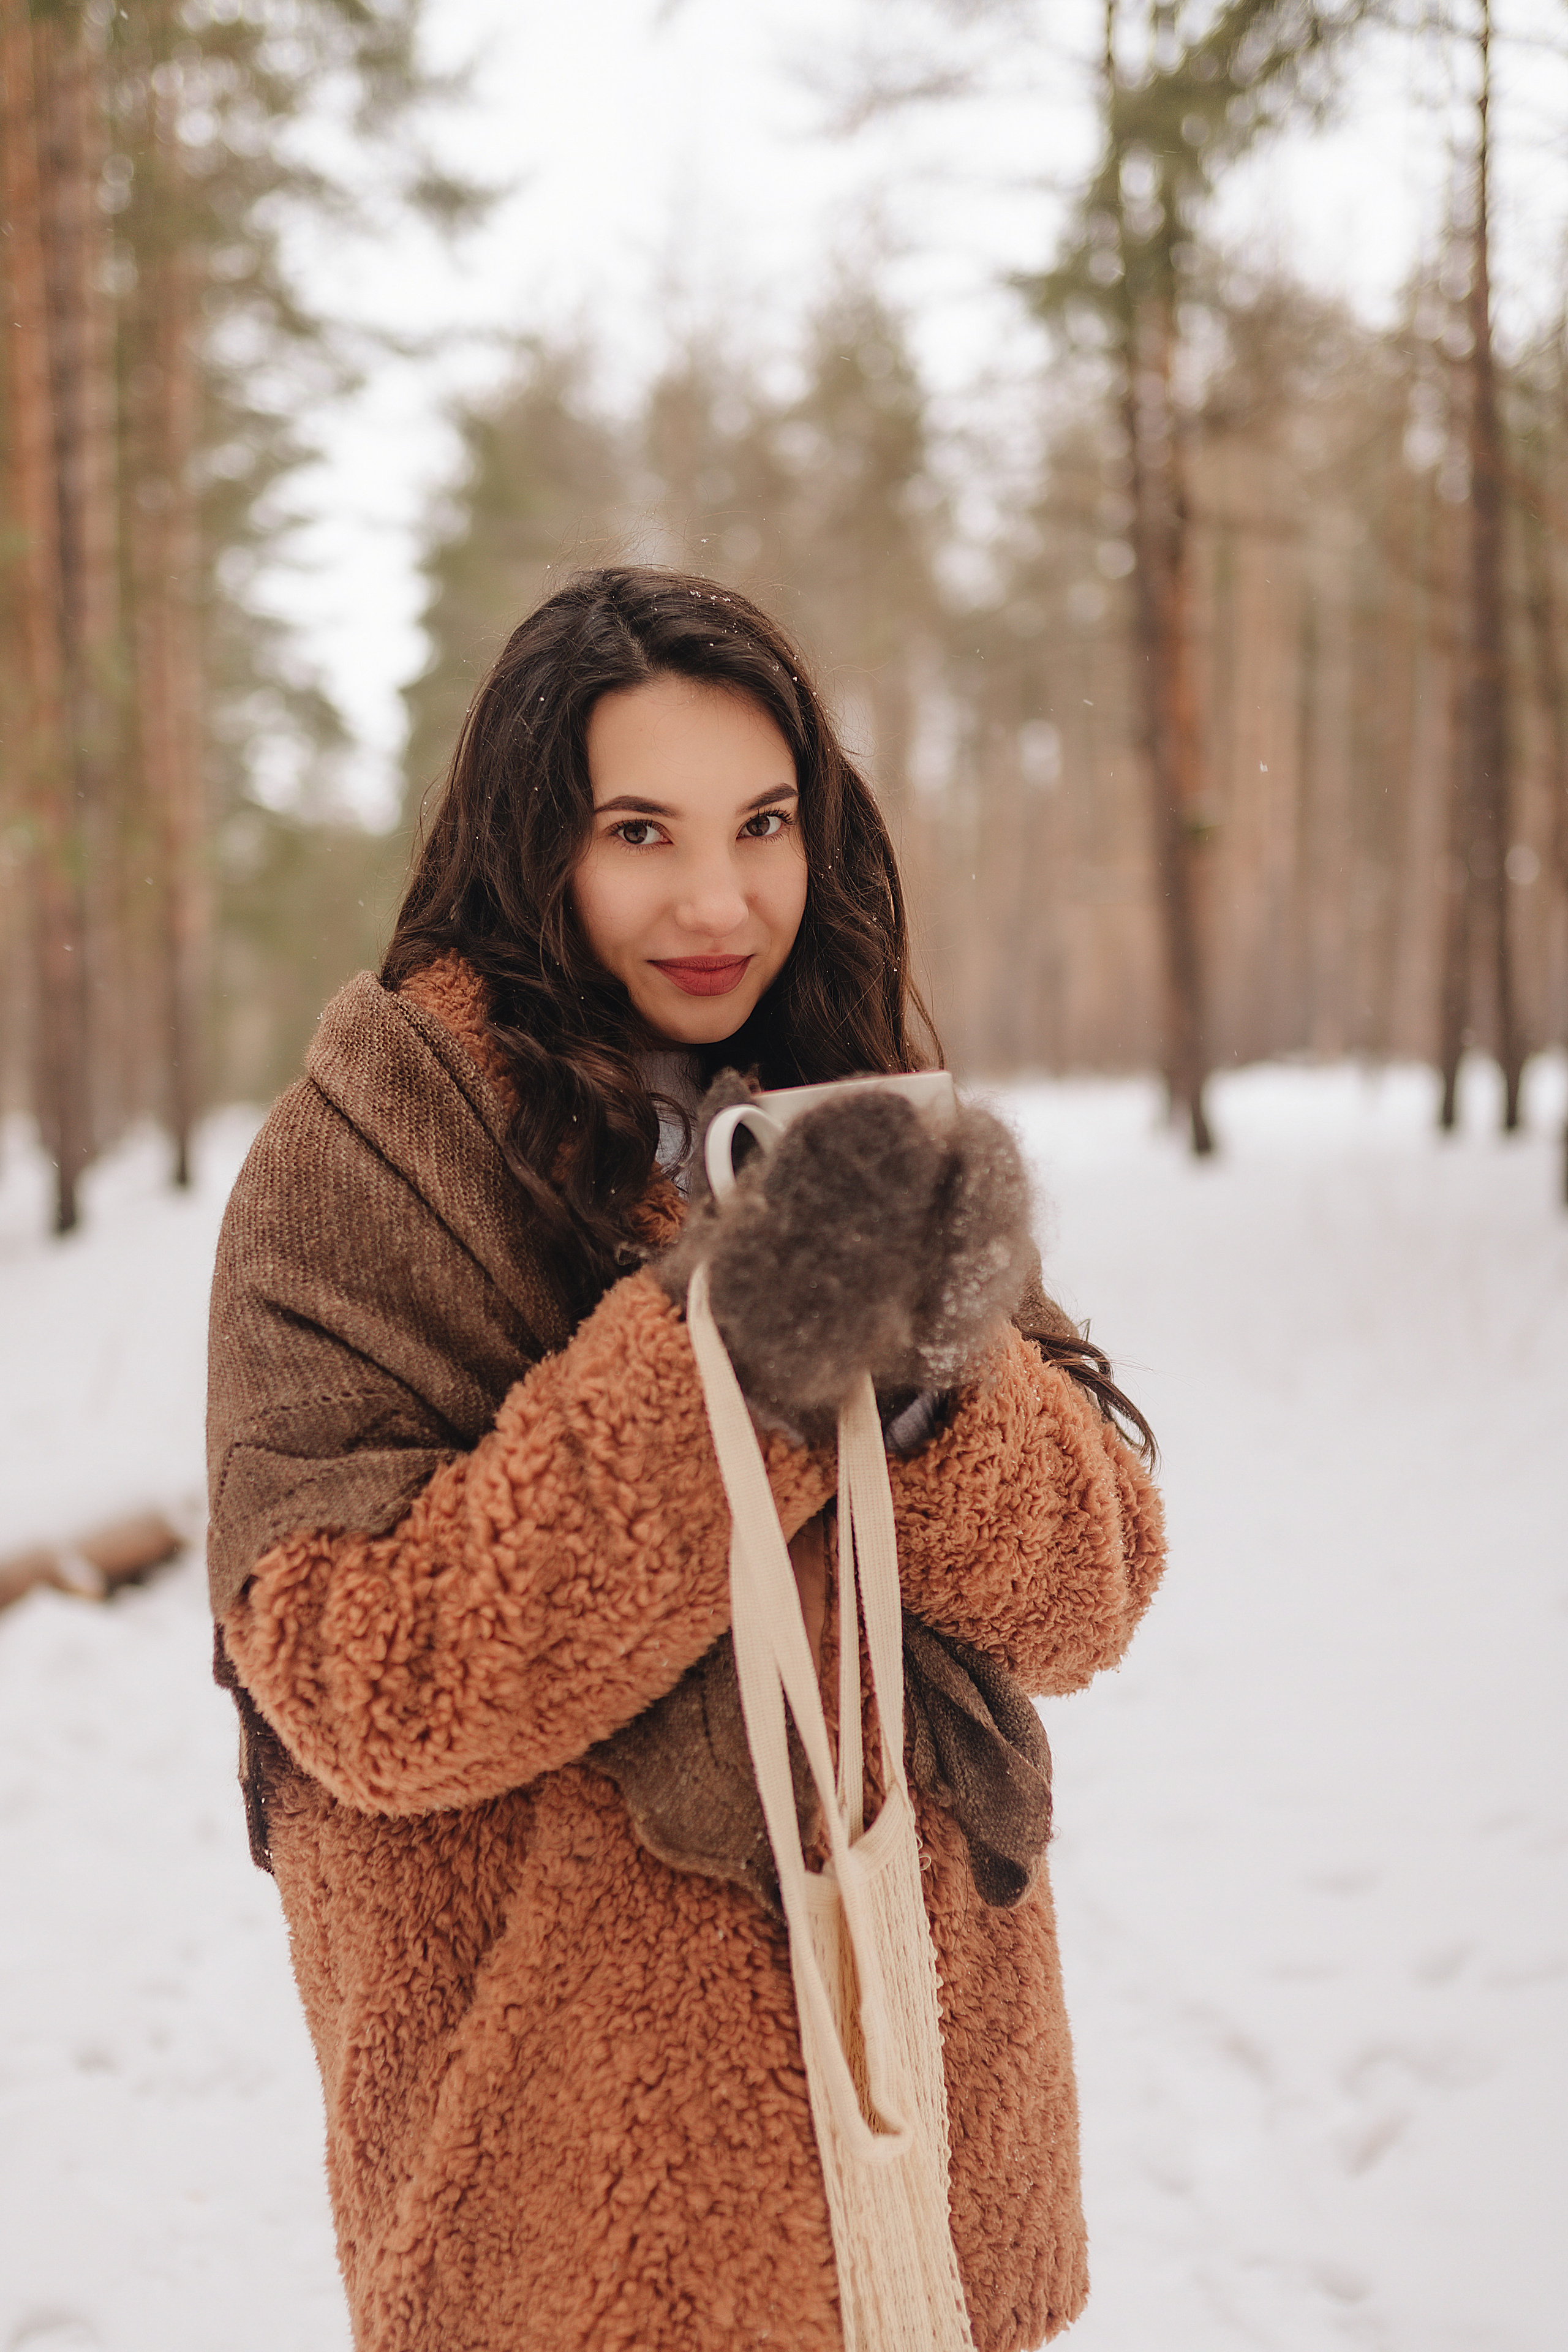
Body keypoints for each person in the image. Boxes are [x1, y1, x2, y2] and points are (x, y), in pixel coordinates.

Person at [206, 566, 1166, 2352]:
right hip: (581, 2197)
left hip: (918, 2160)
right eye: (640, 830)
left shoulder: (857, 1121)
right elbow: (375, 1684)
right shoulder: (369, 1162)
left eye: (765, 825)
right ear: (529, 846)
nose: (719, 900)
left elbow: (1091, 1589)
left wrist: (939, 1391)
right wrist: (737, 1363)